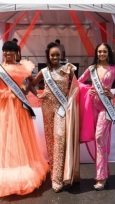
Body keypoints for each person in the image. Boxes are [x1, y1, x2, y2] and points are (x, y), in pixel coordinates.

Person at [0, 41, 49, 197]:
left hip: (19, 107)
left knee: (21, 136)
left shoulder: (22, 67)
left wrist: (36, 93)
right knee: (5, 137)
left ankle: (23, 167)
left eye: (12, 51)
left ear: (17, 53)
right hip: (4, 108)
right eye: (6, 51)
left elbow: (31, 82)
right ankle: (6, 170)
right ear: (3, 53)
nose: (9, 54)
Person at [78, 43, 115, 190]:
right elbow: (78, 83)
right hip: (92, 107)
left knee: (99, 137)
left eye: (104, 51)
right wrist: (88, 89)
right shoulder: (91, 69)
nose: (102, 53)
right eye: (99, 51)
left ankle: (100, 178)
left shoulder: (114, 69)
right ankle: (104, 172)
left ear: (108, 53)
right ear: (97, 53)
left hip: (106, 108)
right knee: (98, 142)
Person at [29, 42, 80, 193]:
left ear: (61, 55)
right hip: (47, 108)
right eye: (52, 55)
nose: (55, 57)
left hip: (62, 109)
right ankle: (55, 174)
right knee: (51, 141)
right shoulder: (44, 71)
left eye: (57, 55)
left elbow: (76, 87)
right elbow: (31, 84)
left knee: (60, 138)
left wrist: (70, 101)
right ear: (48, 57)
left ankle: (58, 179)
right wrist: (39, 95)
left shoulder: (68, 69)